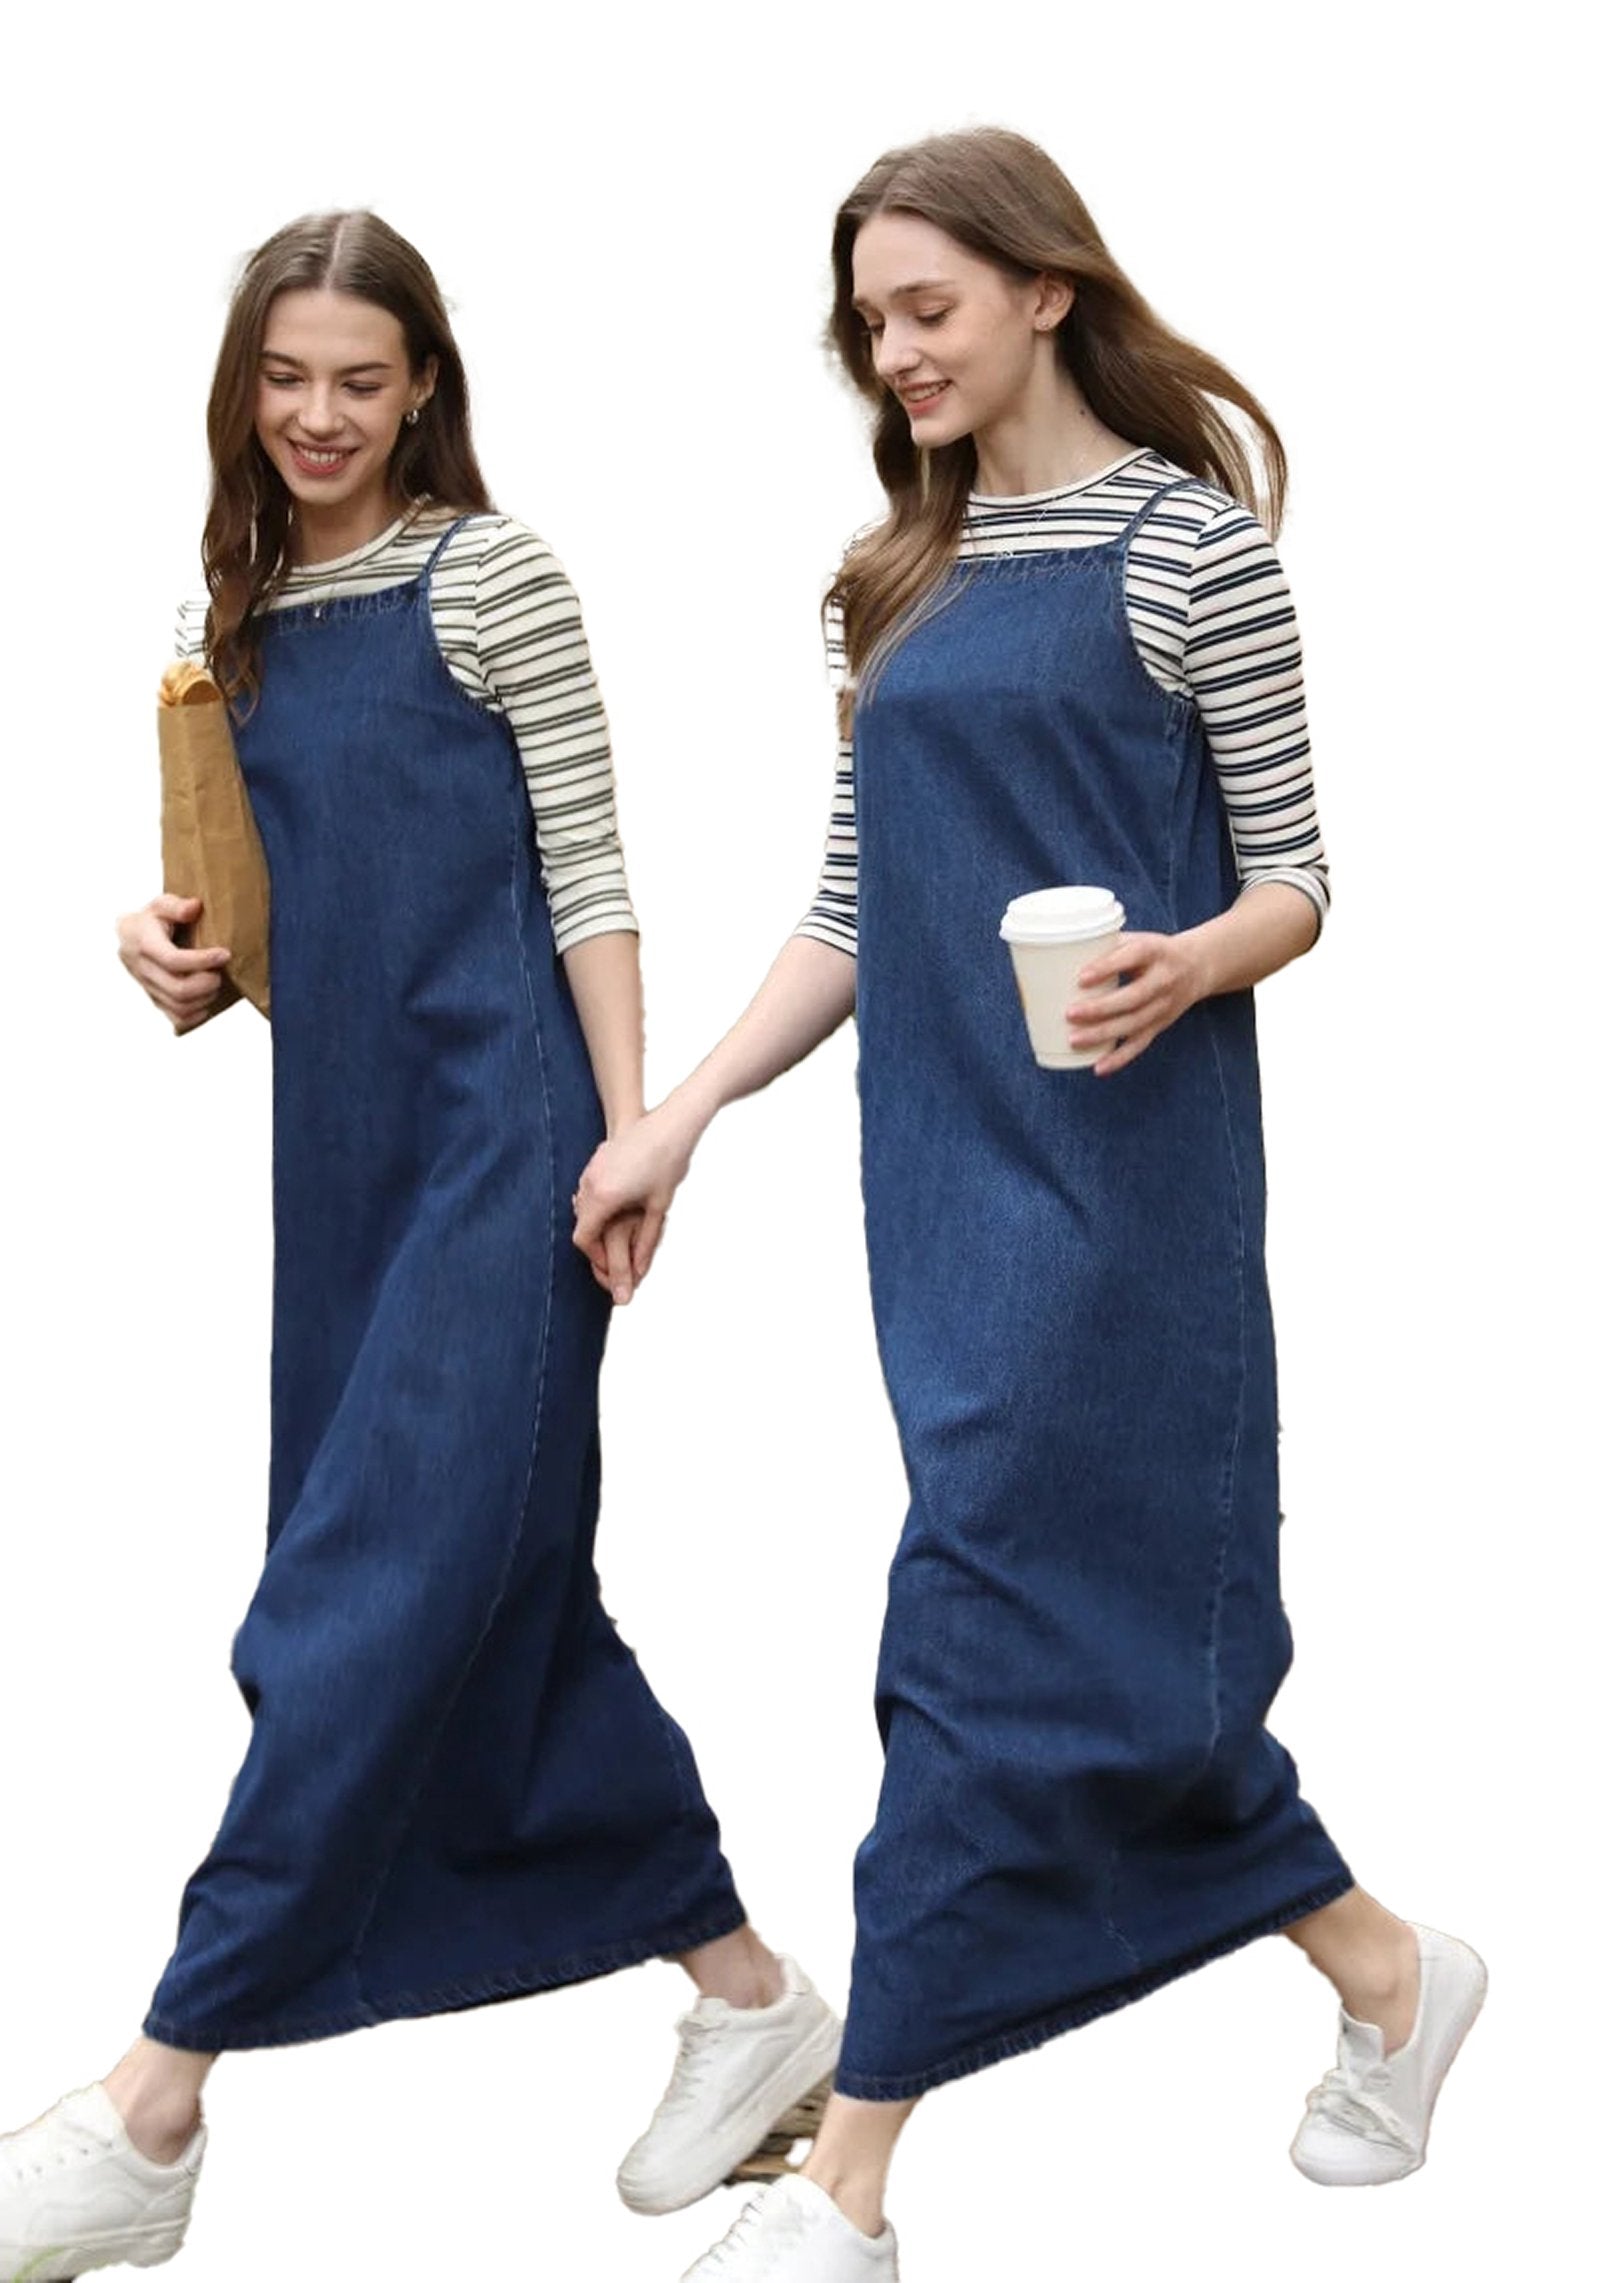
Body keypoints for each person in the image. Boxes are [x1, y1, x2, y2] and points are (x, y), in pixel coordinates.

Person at [572, 129, 1487, 2281]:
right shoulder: (892, 583)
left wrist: (1191, 957)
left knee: (974, 1636)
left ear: (1042, 289)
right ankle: (1380, 1966)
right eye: (868, 323)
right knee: (1072, 1648)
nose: (891, 353)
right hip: (940, 1192)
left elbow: (1297, 877)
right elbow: (851, 910)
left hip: (1129, 1197)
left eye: (926, 309)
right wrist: (681, 1108)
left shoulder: (1190, 552)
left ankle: (848, 2181)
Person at [0, 210, 841, 2283]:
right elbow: (287, 938)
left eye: (357, 380)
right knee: (500, 1607)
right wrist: (169, 944)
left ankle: (154, 2097)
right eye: (283, 378)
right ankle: (751, 2003)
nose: (316, 415)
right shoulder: (251, 600)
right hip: (342, 1176)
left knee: (356, 1605)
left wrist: (641, 1131)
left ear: (423, 388)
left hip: (508, 1158)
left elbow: (585, 868)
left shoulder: (495, 575)